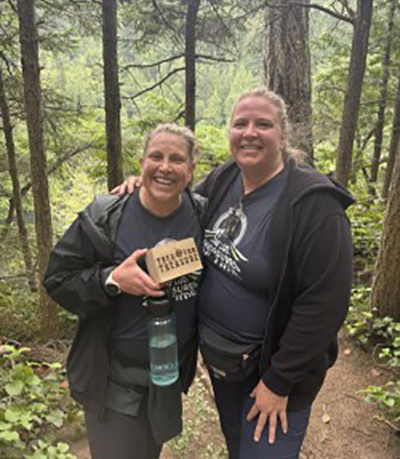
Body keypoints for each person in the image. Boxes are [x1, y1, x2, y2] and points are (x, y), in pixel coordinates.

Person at [113, 87, 354, 459]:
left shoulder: (316, 206)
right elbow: (184, 222)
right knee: (237, 447)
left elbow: (325, 305)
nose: (249, 132)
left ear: (283, 136)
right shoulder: (225, 178)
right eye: (240, 123)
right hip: (224, 365)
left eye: (263, 124)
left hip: (273, 373)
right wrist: (144, 187)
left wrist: (278, 382)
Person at [44, 124, 205, 459]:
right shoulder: (105, 216)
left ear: (191, 170)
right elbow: (58, 279)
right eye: (156, 157)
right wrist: (112, 280)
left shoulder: (203, 214)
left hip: (167, 378)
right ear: (141, 162)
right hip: (114, 382)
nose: (165, 167)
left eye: (176, 159)